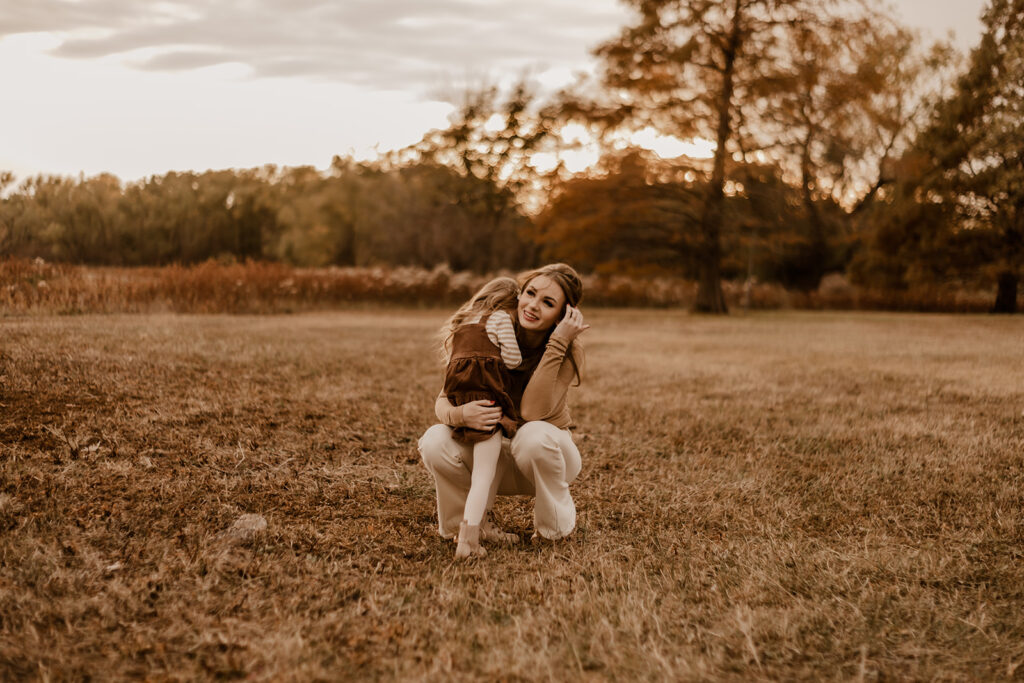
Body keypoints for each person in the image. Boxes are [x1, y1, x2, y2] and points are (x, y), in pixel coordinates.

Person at [419, 263, 589, 552]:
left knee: (532, 434)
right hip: (493, 455)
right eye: (530, 293)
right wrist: (461, 414)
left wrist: (559, 341)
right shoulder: (495, 330)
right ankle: (467, 527)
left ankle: (555, 530)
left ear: (562, 315)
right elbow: (443, 400)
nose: (533, 306)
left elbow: (531, 413)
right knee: (435, 440)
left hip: (545, 458)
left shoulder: (569, 351)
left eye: (548, 303)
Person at [437, 277, 522, 559]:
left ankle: (467, 534)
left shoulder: (460, 322)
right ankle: (468, 541)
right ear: (508, 304)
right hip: (488, 402)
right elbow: (512, 360)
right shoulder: (500, 319)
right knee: (484, 476)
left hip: (461, 400)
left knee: (479, 471)